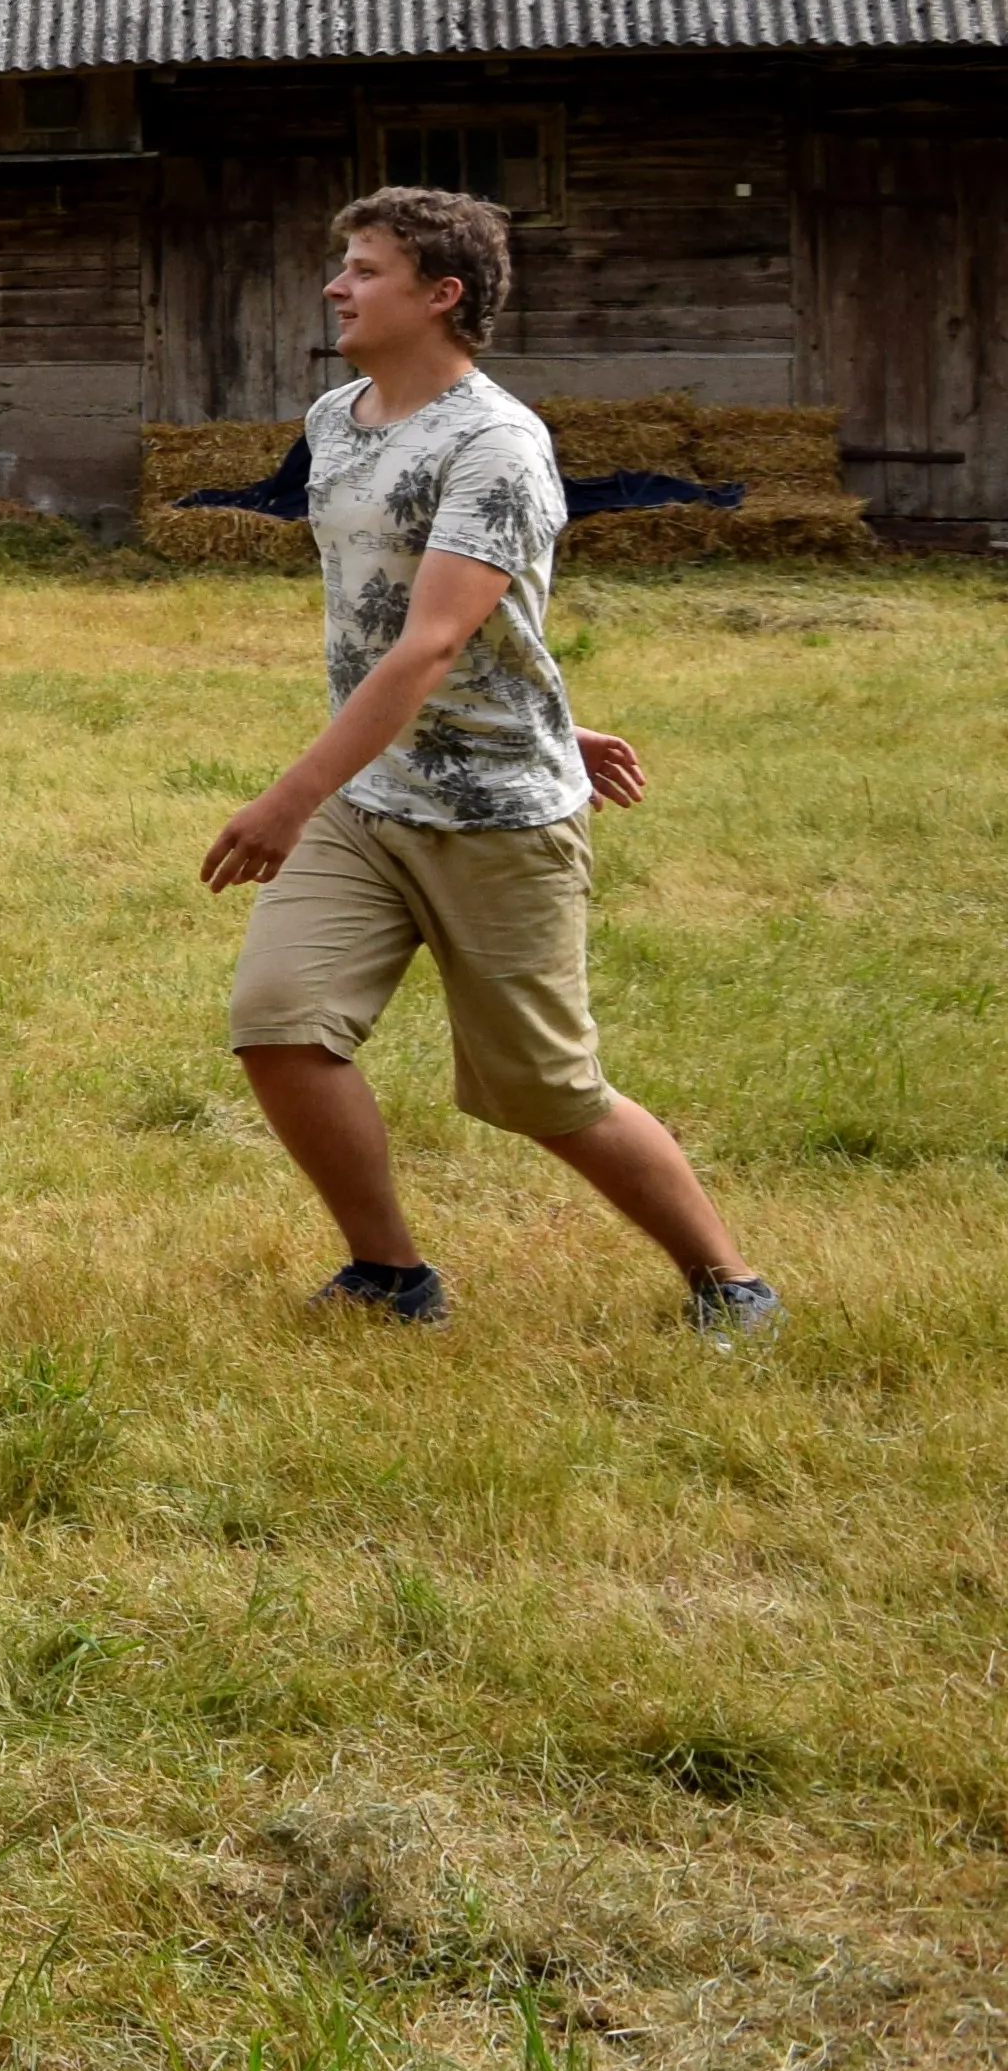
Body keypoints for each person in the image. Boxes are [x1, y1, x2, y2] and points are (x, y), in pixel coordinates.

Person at [203, 187, 775, 1337]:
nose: (337, 285)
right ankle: (392, 1275)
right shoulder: (335, 420)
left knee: (543, 1093)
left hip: (497, 815)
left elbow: (435, 638)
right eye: (344, 265)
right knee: (279, 1021)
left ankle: (730, 1280)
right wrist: (553, 711)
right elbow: (395, 616)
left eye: (364, 269)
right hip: (372, 800)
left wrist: (286, 798)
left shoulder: (498, 444)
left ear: (441, 295)